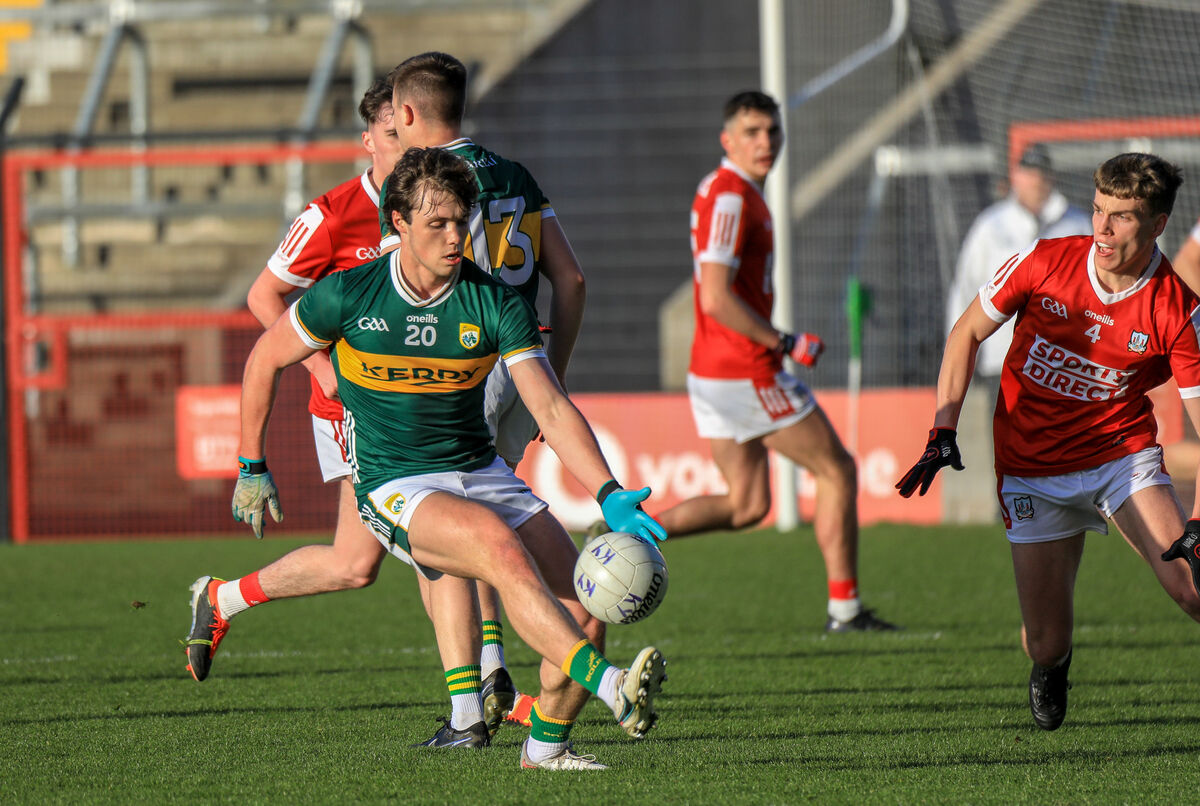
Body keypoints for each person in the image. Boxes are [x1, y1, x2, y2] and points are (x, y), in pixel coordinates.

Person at [228, 146, 667, 770]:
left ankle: (545, 748)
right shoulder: (347, 294)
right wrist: (252, 466)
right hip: (393, 483)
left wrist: (608, 491)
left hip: (479, 470)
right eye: (437, 223)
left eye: (462, 221)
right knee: (498, 550)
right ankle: (613, 687)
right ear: (398, 223)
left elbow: (549, 405)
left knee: (587, 610)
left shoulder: (497, 303)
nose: (456, 236)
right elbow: (263, 361)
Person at [897, 152, 1200, 732]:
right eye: (1098, 210)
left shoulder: (1179, 311)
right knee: (1044, 641)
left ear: (1158, 224)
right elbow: (965, 333)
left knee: (1193, 587)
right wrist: (942, 429)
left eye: (1121, 217)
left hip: (1120, 457)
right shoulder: (1043, 261)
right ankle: (1053, 664)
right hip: (1031, 466)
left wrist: (1199, 520)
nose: (1102, 229)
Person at [381, 51, 588, 734]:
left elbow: (407, 289)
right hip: (523, 360)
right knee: (487, 515)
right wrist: (552, 374)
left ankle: (473, 696)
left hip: (455, 367)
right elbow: (572, 280)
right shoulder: (517, 174)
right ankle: (505, 672)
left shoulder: (424, 188)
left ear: (405, 113)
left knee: (443, 530)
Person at [648, 90, 897, 633]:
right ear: (728, 139)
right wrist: (783, 342)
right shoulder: (732, 196)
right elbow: (716, 297)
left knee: (746, 505)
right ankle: (846, 610)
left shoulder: (725, 189)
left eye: (772, 131)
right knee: (837, 469)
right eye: (752, 132)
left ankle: (626, 537)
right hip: (743, 370)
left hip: (714, 370)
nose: (765, 142)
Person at [945, 144, 1092, 400]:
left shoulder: (1077, 224)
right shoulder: (990, 225)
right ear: (1015, 175)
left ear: (1051, 177)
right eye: (1029, 172)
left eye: (1041, 173)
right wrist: (960, 352)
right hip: (1003, 359)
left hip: (1064, 364)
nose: (1035, 181)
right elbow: (966, 289)